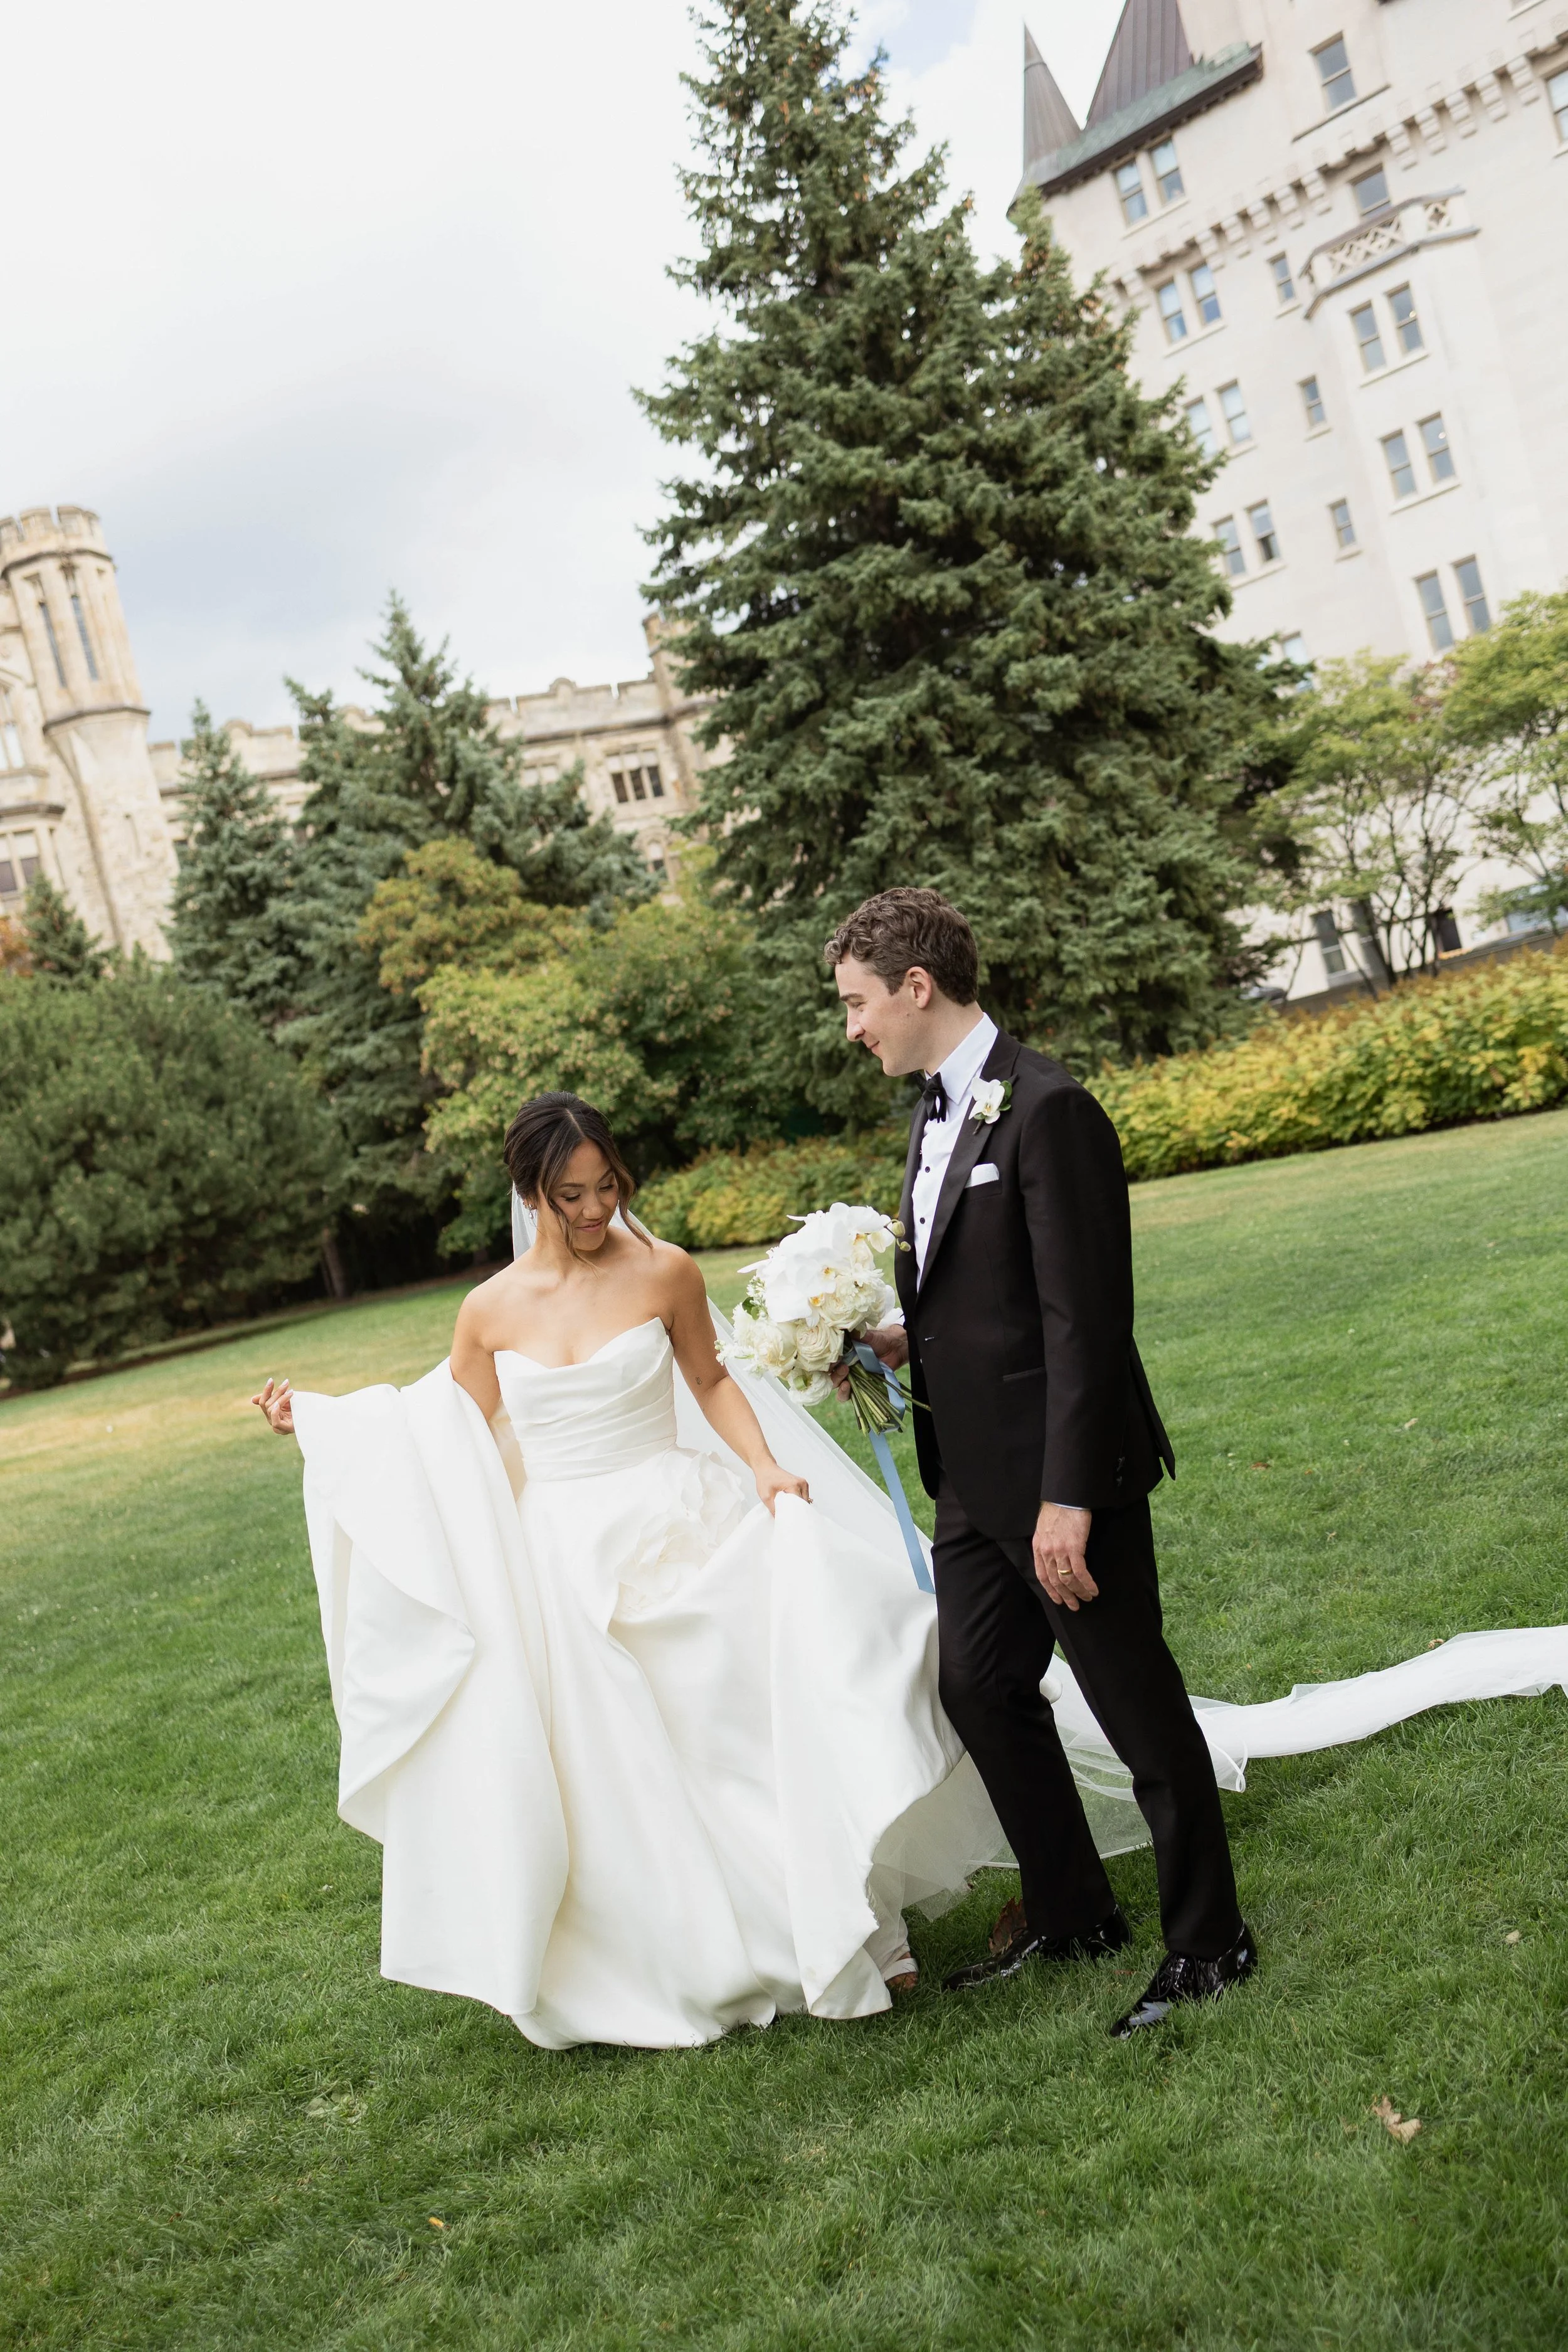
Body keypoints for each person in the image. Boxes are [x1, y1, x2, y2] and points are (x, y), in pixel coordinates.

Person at [252, 1091, 1008, 2051]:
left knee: (749, 1722)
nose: (596, 1207)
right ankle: (700, 1945)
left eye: (608, 1185)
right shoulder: (487, 1311)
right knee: (640, 1768)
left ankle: (860, 1919)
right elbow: (445, 1431)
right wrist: (317, 1422)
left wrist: (769, 1468)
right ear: (531, 1192)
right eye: (573, 1192)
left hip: (682, 1519)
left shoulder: (663, 1271)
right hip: (567, 1556)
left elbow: (711, 1381)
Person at [826, 888, 1257, 2037]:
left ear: (917, 987)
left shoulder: (1049, 1106)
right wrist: (898, 1340)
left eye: (858, 1003)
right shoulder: (933, 1111)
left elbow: (1084, 1321)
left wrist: (1069, 1498)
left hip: (1066, 1478)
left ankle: (1212, 1941)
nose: (852, 1027)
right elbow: (990, 1286)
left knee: (1135, 1705)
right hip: (969, 1479)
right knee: (978, 1683)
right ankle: (1075, 1912)